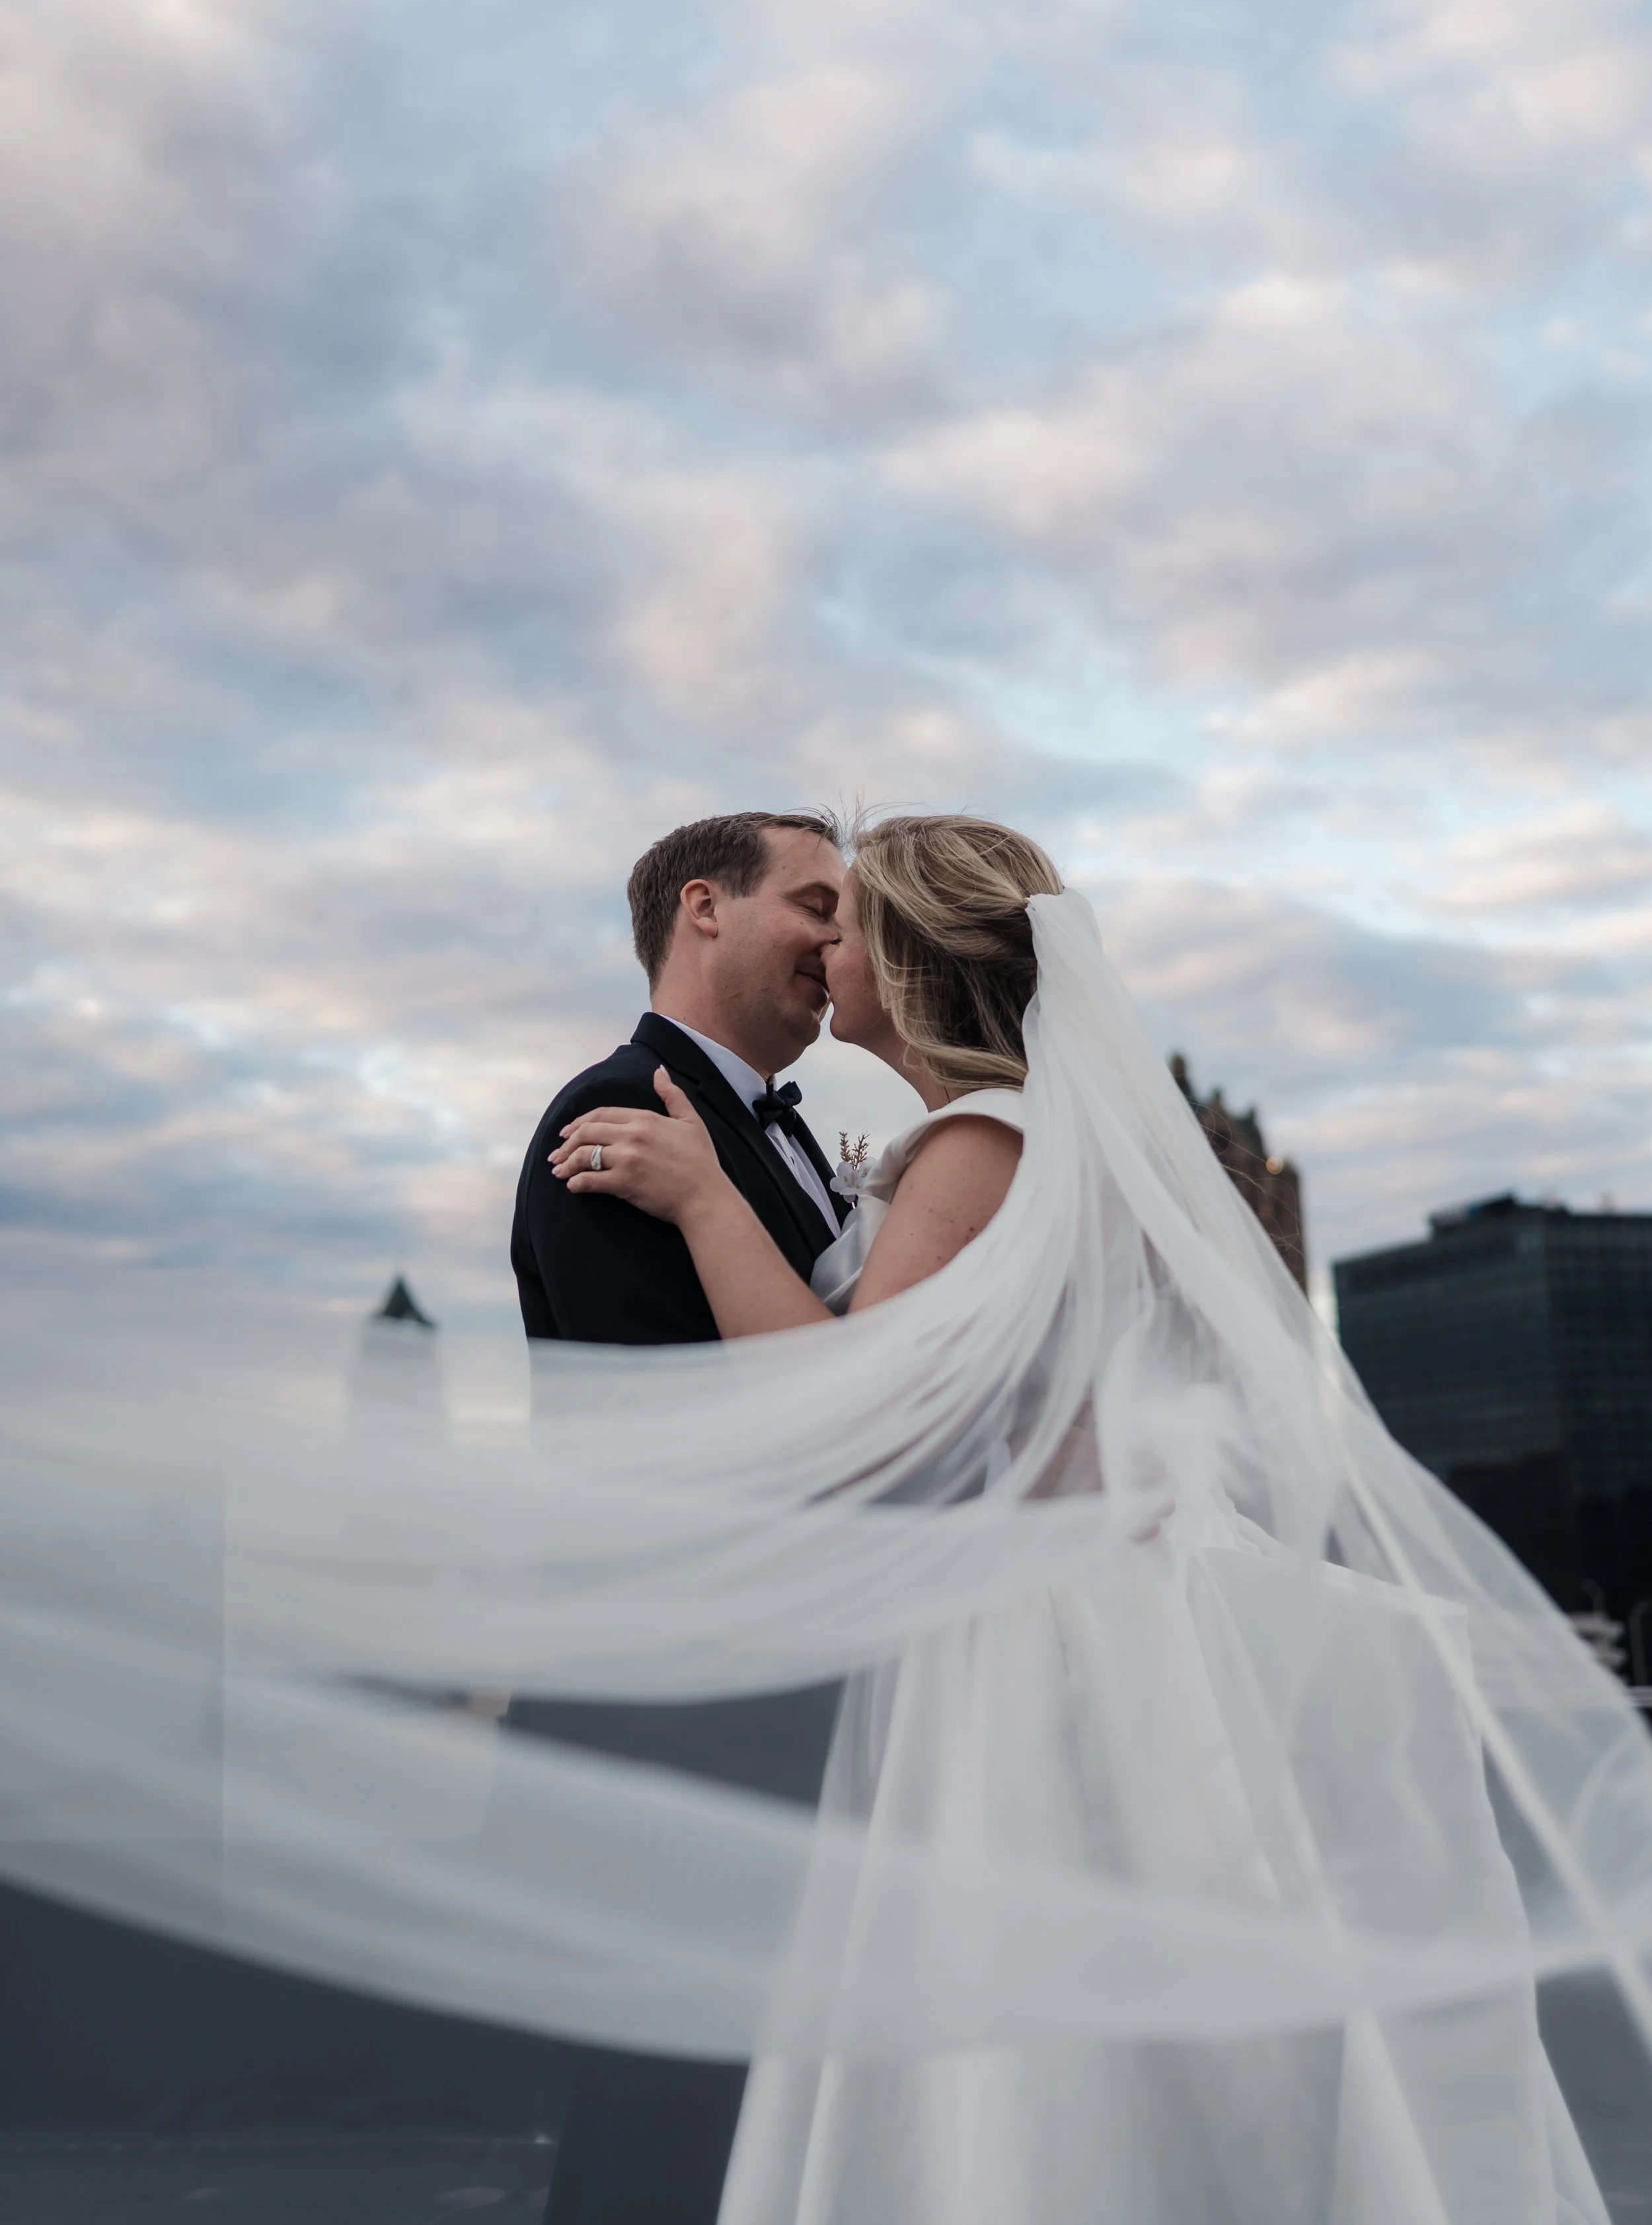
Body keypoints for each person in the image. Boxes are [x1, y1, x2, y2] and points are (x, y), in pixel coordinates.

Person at [551, 811, 1611, 2225]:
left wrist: (698, 1200)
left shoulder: (978, 1148)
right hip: (1115, 1600)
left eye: (846, 918)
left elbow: (860, 1414)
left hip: (1046, 1631)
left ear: (912, 959)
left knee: (1034, 2053)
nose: (826, 943)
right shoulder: (1024, 1140)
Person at [508, 808, 852, 2225]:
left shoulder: (774, 1138)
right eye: (817, 905)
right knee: (663, 2124)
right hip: (689, 1704)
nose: (843, 942)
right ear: (701, 908)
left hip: (776, 1692)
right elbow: (664, 1441)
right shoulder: (616, 1115)